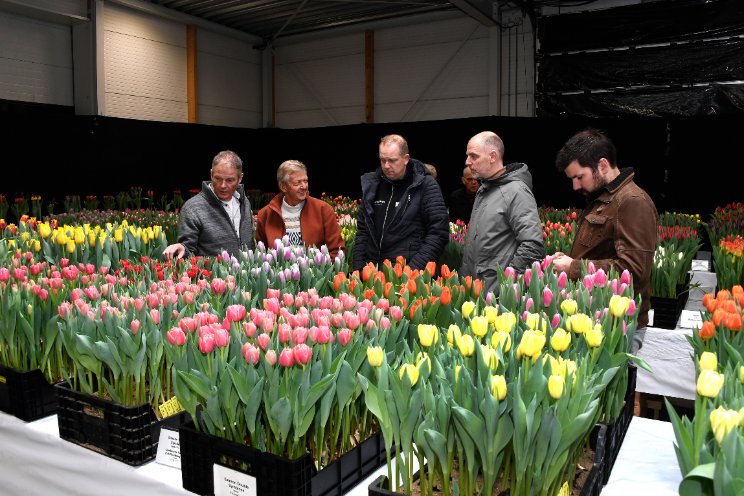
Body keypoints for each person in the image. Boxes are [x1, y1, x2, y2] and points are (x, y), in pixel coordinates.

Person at [551, 129, 657, 349]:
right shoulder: (604, 198)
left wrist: (573, 267)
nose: (576, 186)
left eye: (580, 177)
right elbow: (603, 252)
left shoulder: (632, 201)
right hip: (597, 318)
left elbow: (634, 270)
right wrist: (569, 260)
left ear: (603, 165)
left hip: (618, 326)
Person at [459, 131, 544, 295]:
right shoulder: (484, 189)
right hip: (476, 291)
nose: (467, 162)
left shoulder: (516, 192)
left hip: (496, 296)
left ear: (492, 156)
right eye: (468, 156)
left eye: (473, 156)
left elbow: (532, 245)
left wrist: (505, 284)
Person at [353, 134, 449, 271]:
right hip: (372, 273)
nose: (386, 165)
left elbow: (438, 232)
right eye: (382, 160)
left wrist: (413, 270)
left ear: (405, 159)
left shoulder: (425, 185)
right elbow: (363, 230)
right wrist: (359, 267)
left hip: (408, 276)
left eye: (392, 160)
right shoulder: (373, 185)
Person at [163, 150, 253, 260]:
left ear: (240, 178)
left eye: (230, 180)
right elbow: (187, 249)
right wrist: (181, 247)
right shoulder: (193, 207)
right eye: (218, 178)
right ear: (211, 174)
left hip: (245, 274)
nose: (223, 185)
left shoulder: (244, 202)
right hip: (213, 276)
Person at [256, 160, 345, 259]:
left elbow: (337, 250)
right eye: (297, 183)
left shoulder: (323, 210)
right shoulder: (265, 215)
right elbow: (261, 254)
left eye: (305, 181)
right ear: (283, 186)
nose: (304, 186)